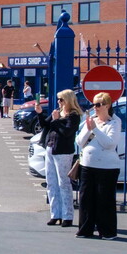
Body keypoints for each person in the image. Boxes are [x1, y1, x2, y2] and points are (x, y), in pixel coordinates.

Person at [75, 91, 121, 239]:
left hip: (107, 167)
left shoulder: (114, 122)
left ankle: (107, 231)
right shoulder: (91, 119)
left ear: (107, 105)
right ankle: (85, 229)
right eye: (94, 104)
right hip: (87, 164)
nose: (95, 107)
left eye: (98, 105)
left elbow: (109, 144)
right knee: (86, 198)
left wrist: (95, 129)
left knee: (104, 199)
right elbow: (79, 141)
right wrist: (88, 129)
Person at [37, 89, 80, 228]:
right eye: (58, 100)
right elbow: (45, 124)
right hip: (50, 148)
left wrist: (56, 121)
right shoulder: (58, 112)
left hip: (63, 151)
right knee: (51, 182)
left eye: (61, 100)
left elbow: (67, 132)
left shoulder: (73, 116)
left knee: (63, 183)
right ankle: (55, 214)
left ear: (68, 101)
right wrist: (39, 114)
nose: (59, 102)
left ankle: (67, 215)